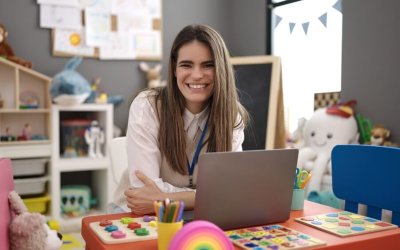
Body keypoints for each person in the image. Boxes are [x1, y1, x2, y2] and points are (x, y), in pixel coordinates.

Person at [113, 24, 249, 215]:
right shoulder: (148, 106)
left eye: (208, 65)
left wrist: (163, 198)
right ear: (174, 69)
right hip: (139, 214)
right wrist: (205, 196)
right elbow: (143, 191)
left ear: (221, 70)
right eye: (186, 65)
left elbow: (231, 191)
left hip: (201, 213)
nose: (196, 75)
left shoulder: (232, 115)